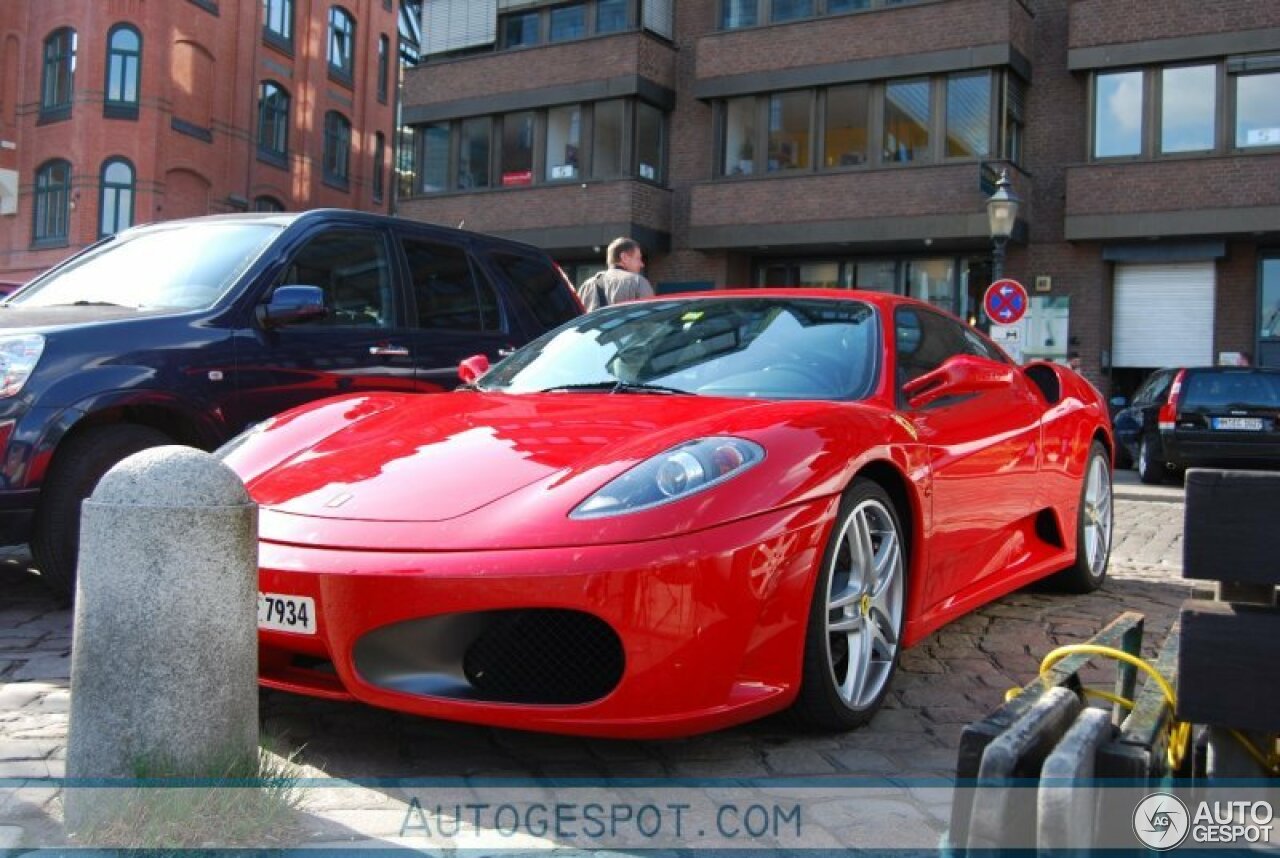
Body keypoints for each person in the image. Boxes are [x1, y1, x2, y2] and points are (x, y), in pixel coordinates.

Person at [576, 237, 654, 311]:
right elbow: (651, 319)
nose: (642, 264)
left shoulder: (586, 286)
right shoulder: (638, 282)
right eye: (638, 258)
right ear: (624, 257)